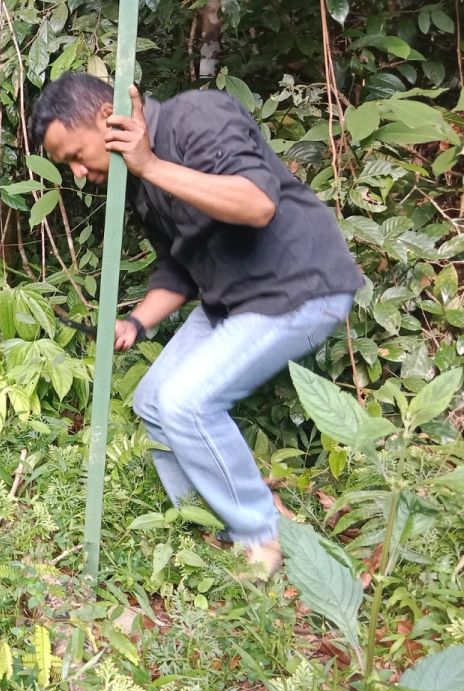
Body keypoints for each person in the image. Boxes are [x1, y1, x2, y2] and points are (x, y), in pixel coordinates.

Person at [30, 73, 363, 579]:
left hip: (299, 287)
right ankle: (212, 525)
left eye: (76, 155)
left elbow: (257, 203)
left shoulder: (196, 117)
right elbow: (179, 268)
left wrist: (152, 164)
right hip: (234, 303)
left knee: (188, 403)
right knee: (153, 401)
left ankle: (263, 537)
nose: (77, 174)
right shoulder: (141, 182)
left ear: (106, 119)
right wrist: (137, 323)